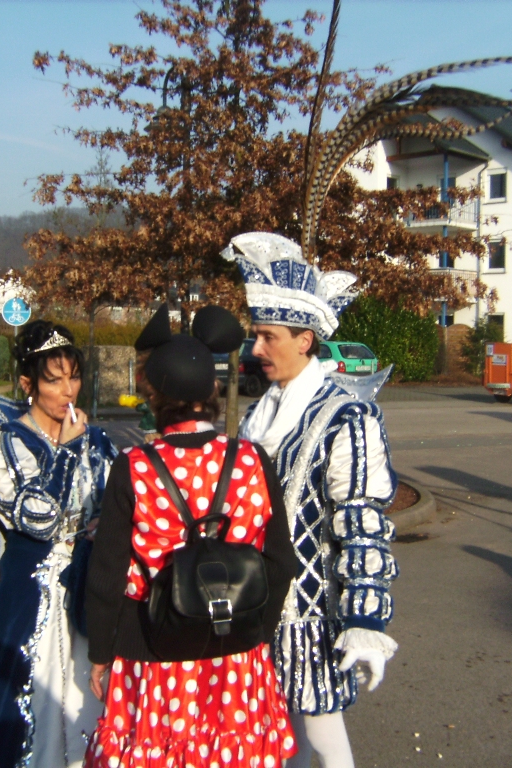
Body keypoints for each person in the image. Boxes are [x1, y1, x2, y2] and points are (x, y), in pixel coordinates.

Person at [84, 304, 299, 768]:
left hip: (153, 647)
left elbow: (107, 575)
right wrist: (258, 634)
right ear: (212, 391)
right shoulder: (251, 460)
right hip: (236, 648)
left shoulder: (134, 468)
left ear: (153, 394)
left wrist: (100, 652)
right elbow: (281, 561)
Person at [223, 232, 400, 768]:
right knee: (275, 739)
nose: (255, 349)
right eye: (256, 335)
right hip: (255, 607)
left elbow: (362, 522)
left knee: (322, 737)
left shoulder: (347, 416)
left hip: (309, 616)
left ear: (305, 340)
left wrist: (365, 619)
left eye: (267, 337)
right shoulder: (263, 413)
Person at [0, 320, 118, 768]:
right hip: (26, 596)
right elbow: (36, 519)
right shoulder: (2, 441)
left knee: (87, 709)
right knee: (28, 715)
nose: (67, 391)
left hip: (86, 592)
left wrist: (106, 522)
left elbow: (117, 503)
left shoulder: (98, 439)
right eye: (54, 380)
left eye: (74, 377)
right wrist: (67, 453)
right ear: (27, 384)